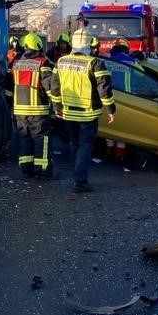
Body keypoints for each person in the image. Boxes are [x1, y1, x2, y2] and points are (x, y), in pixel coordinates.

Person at [44, 28, 115, 193]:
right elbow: (104, 89)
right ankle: (80, 181)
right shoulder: (95, 63)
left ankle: (76, 177)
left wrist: (57, 107)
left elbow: (55, 88)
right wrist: (110, 109)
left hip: (68, 112)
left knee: (74, 144)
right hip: (88, 113)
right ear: (89, 44)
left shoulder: (61, 61)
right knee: (85, 145)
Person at [5, 33, 54, 178]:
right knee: (41, 140)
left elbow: (8, 89)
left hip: (19, 110)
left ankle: (26, 169)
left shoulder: (15, 62)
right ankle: (43, 170)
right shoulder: (42, 62)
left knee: (24, 138)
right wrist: (56, 104)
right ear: (38, 46)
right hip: (38, 110)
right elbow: (49, 87)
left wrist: (10, 107)